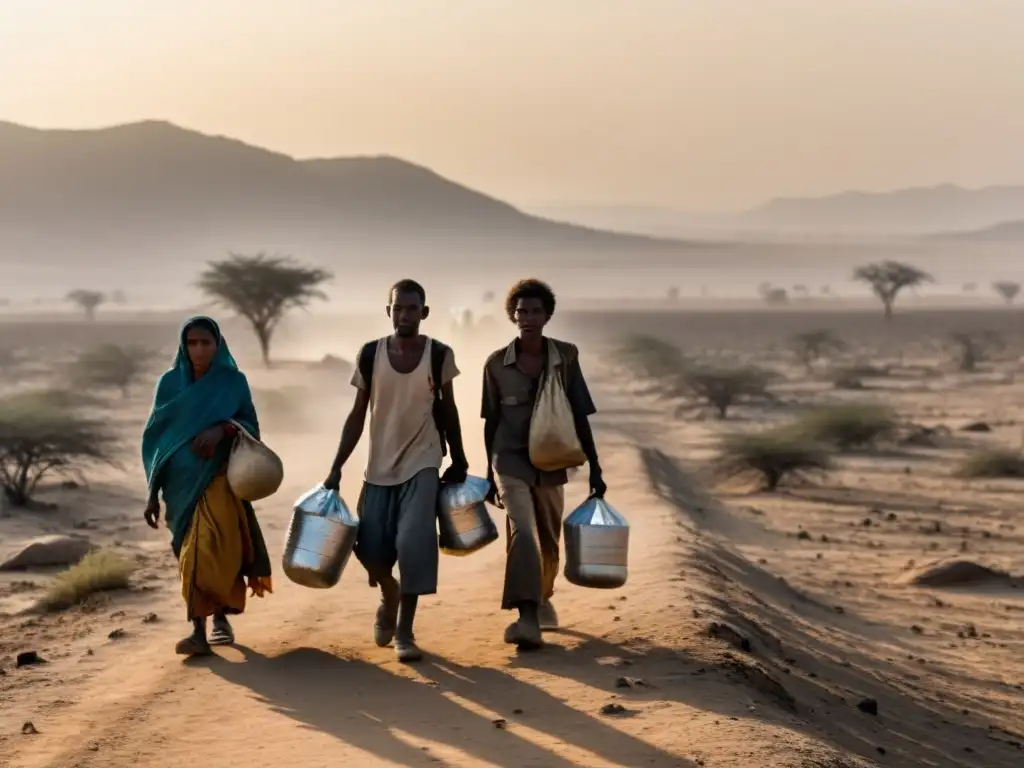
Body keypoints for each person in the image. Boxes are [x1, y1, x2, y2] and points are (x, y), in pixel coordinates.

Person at [323, 279, 469, 663]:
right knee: (370, 549)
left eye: (411, 308)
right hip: (378, 467)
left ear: (425, 312)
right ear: (387, 311)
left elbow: (447, 409)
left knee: (413, 544)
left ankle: (405, 632)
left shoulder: (438, 354)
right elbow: (357, 415)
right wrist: (336, 467)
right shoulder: (371, 354)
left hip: (423, 461)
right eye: (397, 308)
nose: (404, 315)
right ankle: (388, 591)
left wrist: (460, 456)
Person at [481, 278, 606, 650]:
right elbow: (491, 421)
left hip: (552, 462)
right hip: (509, 460)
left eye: (535, 311)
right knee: (523, 531)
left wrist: (595, 467)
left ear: (548, 315)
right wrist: (489, 473)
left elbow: (580, 414)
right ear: (512, 316)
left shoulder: (565, 358)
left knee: (550, 542)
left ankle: (543, 597)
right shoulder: (496, 364)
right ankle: (527, 617)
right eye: (521, 311)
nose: (528, 317)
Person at [141, 316, 273, 656]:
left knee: (214, 551)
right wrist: (152, 493)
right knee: (189, 555)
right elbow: (157, 440)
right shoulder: (169, 385)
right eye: (192, 343)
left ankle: (204, 628)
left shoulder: (233, 382)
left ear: (218, 345)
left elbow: (251, 426)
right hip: (178, 487)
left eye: (206, 343)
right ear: (184, 346)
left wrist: (221, 430)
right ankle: (208, 622)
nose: (199, 349)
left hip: (219, 480)